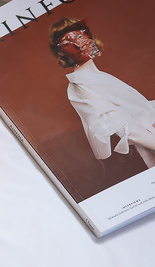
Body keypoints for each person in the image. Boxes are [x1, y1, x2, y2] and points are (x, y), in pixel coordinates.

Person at [49, 17, 155, 168]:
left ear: (89, 37)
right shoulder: (80, 83)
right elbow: (127, 129)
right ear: (61, 52)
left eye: (79, 37)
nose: (78, 45)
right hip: (148, 145)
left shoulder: (96, 76)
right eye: (67, 44)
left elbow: (139, 109)